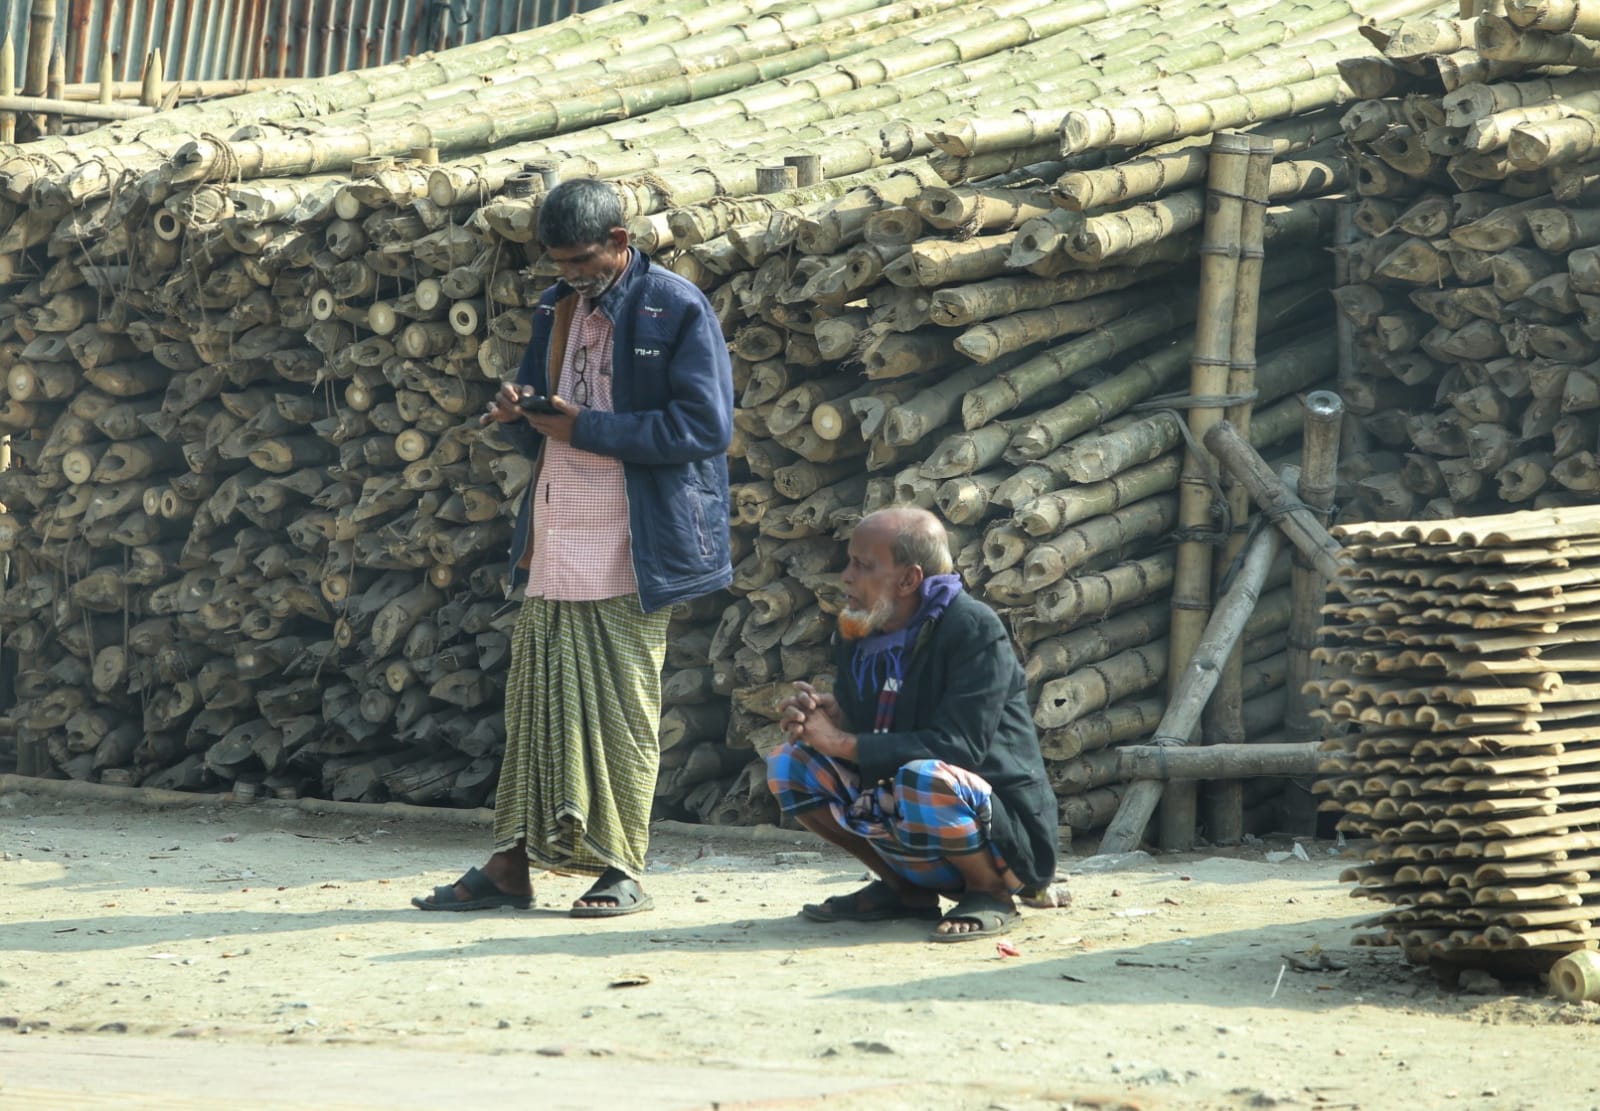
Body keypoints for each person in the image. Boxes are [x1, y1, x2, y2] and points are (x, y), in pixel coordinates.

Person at [414, 177, 734, 917]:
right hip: (558, 530)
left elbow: (704, 429)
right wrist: (519, 408)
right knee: (535, 705)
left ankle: (622, 867)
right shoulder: (557, 305)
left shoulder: (677, 308)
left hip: (634, 539)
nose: (573, 274)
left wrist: (581, 426)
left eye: (584, 260)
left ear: (621, 243)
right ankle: (509, 863)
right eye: (559, 263)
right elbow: (545, 401)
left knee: (621, 707)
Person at [766, 507, 1059, 942]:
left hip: (1002, 833)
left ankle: (991, 892)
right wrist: (835, 718)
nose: (845, 577)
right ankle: (902, 889)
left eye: (863, 566)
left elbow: (958, 749)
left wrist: (843, 742)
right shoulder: (860, 629)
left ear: (909, 580)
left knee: (923, 776)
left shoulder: (972, 628)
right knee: (788, 764)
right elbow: (881, 725)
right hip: (911, 817)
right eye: (849, 561)